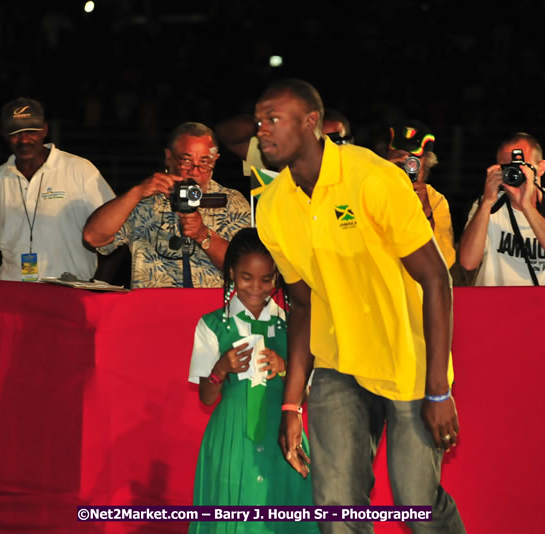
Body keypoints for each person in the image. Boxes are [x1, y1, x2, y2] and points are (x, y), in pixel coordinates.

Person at [254, 79, 464, 534]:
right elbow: (302, 307)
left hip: (406, 362)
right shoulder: (270, 206)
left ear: (311, 122)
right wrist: (291, 404)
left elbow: (436, 279)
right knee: (336, 507)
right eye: (258, 122)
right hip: (338, 363)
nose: (261, 131)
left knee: (417, 504)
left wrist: (437, 389)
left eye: (273, 119)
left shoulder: (373, 177)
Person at [188, 228, 318, 534]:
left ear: (277, 278)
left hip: (283, 432)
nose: (256, 288)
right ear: (232, 273)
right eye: (247, 278)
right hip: (231, 436)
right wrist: (221, 368)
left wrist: (285, 368)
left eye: (266, 279)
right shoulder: (212, 325)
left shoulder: (294, 325)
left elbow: (309, 393)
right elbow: (206, 397)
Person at [0, 97, 116, 281]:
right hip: (14, 292)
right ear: (4, 134)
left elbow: (117, 235)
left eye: (31, 131)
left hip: (70, 291)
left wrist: (99, 287)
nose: (24, 139)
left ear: (45, 129)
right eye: (15, 132)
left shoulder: (79, 170)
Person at [83, 122, 251, 288]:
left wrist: (203, 235)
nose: (195, 171)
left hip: (209, 305)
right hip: (152, 304)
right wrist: (137, 192)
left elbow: (245, 268)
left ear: (216, 160)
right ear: (169, 157)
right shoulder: (144, 199)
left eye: (205, 162)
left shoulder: (230, 201)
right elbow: (93, 237)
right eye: (186, 161)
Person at [458, 132, 545, 286]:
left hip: (542, 301)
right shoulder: (486, 205)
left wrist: (526, 206)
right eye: (507, 168)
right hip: (494, 300)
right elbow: (468, 263)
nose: (514, 173)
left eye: (521, 166)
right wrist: (486, 203)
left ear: (541, 168)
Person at [386, 120, 456, 267]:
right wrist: (383, 174)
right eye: (398, 156)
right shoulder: (370, 188)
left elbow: (445, 261)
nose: (405, 165)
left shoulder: (435, 200)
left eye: (413, 160)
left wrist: (425, 210)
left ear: (426, 163)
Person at [215, 107, 351, 175]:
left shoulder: (357, 172)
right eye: (320, 140)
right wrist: (270, 126)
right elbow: (225, 132)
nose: (327, 146)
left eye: (336, 139)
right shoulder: (285, 160)